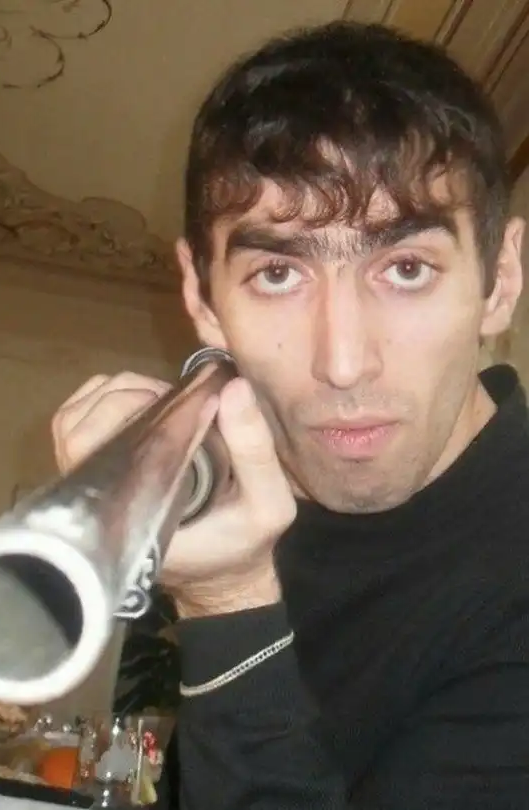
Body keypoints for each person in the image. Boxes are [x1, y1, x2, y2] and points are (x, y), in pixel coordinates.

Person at [51, 21, 529, 808]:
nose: (342, 362)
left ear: (500, 280)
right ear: (202, 296)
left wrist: (228, 603)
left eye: (407, 268)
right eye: (277, 274)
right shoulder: (251, 500)